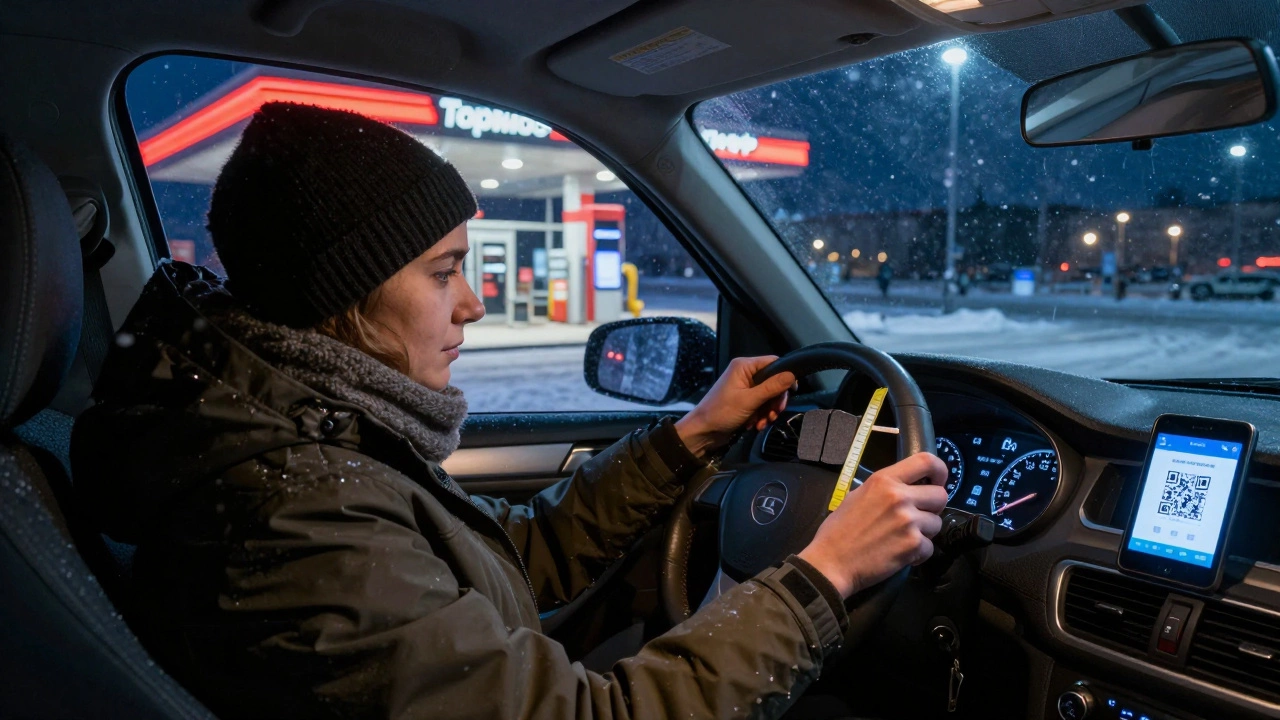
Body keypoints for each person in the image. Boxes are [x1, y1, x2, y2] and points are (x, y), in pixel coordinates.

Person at [72, 103, 947, 720]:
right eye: (443, 272)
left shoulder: (313, 440)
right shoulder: (294, 519)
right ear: (341, 295)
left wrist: (689, 438)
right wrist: (821, 577)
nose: (475, 303)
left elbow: (503, 561)